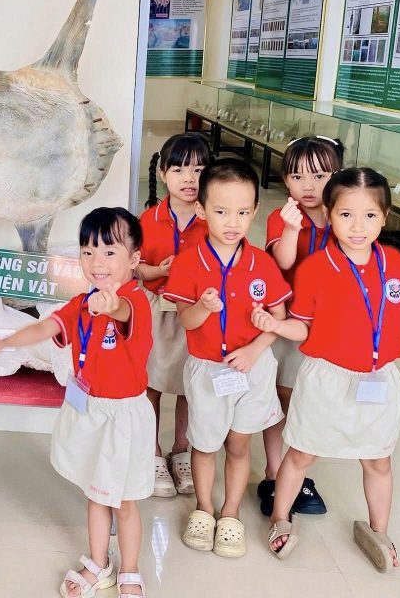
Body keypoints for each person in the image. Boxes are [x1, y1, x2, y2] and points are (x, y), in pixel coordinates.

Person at [256, 168, 400, 571]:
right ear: (329, 213)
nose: (357, 226)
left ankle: (380, 530)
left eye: (369, 215)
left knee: (378, 460)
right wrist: (275, 325)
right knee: (302, 453)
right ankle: (280, 518)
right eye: (346, 215)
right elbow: (304, 327)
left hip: (379, 380)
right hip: (327, 377)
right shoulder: (315, 268)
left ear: (385, 216)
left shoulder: (397, 266)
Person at [0, 207, 154, 598]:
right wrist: (8, 341)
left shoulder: (134, 302)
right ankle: (99, 563)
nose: (97, 262)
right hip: (90, 410)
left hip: (124, 417)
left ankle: (130, 569)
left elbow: (122, 311)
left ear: (134, 259)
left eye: (109, 252)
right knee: (95, 493)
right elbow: (48, 326)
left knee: (125, 502)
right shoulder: (82, 303)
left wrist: (109, 307)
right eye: (88, 251)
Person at [162, 159, 290, 558]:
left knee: (239, 443)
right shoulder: (189, 261)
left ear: (254, 211)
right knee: (204, 444)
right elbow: (185, 319)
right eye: (220, 211)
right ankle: (203, 508)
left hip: (253, 368)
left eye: (242, 212)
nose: (232, 222)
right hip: (207, 370)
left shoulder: (262, 263)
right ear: (201, 210)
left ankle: (230, 513)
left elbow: (279, 320)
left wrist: (255, 348)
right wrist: (202, 307)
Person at [258, 136, 343, 517]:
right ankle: (275, 473)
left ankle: (298, 470)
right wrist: (292, 229)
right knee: (283, 397)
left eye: (319, 176)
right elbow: (283, 261)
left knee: (314, 400)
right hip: (288, 322)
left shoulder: (343, 215)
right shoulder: (283, 217)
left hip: (330, 327)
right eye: (297, 176)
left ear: (337, 175)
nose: (308, 186)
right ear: (285, 180)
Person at [136, 132, 212, 497]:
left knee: (188, 385)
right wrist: (158, 271)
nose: (189, 178)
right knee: (151, 383)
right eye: (179, 169)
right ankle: (151, 452)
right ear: (163, 173)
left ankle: (181, 450)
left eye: (199, 169)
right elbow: (134, 267)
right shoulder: (147, 219)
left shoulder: (214, 220)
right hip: (156, 309)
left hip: (195, 313)